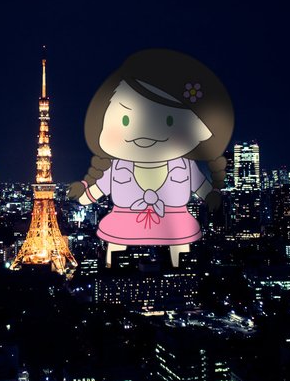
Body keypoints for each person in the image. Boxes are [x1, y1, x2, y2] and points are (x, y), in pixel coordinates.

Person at [68, 49, 234, 267]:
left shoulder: (183, 166)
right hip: (126, 223)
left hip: (173, 223)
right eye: (126, 120)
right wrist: (82, 192)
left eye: (168, 121)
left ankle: (178, 268)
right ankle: (114, 268)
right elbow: (96, 190)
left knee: (180, 255)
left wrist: (212, 195)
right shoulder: (119, 167)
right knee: (116, 252)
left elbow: (203, 188)